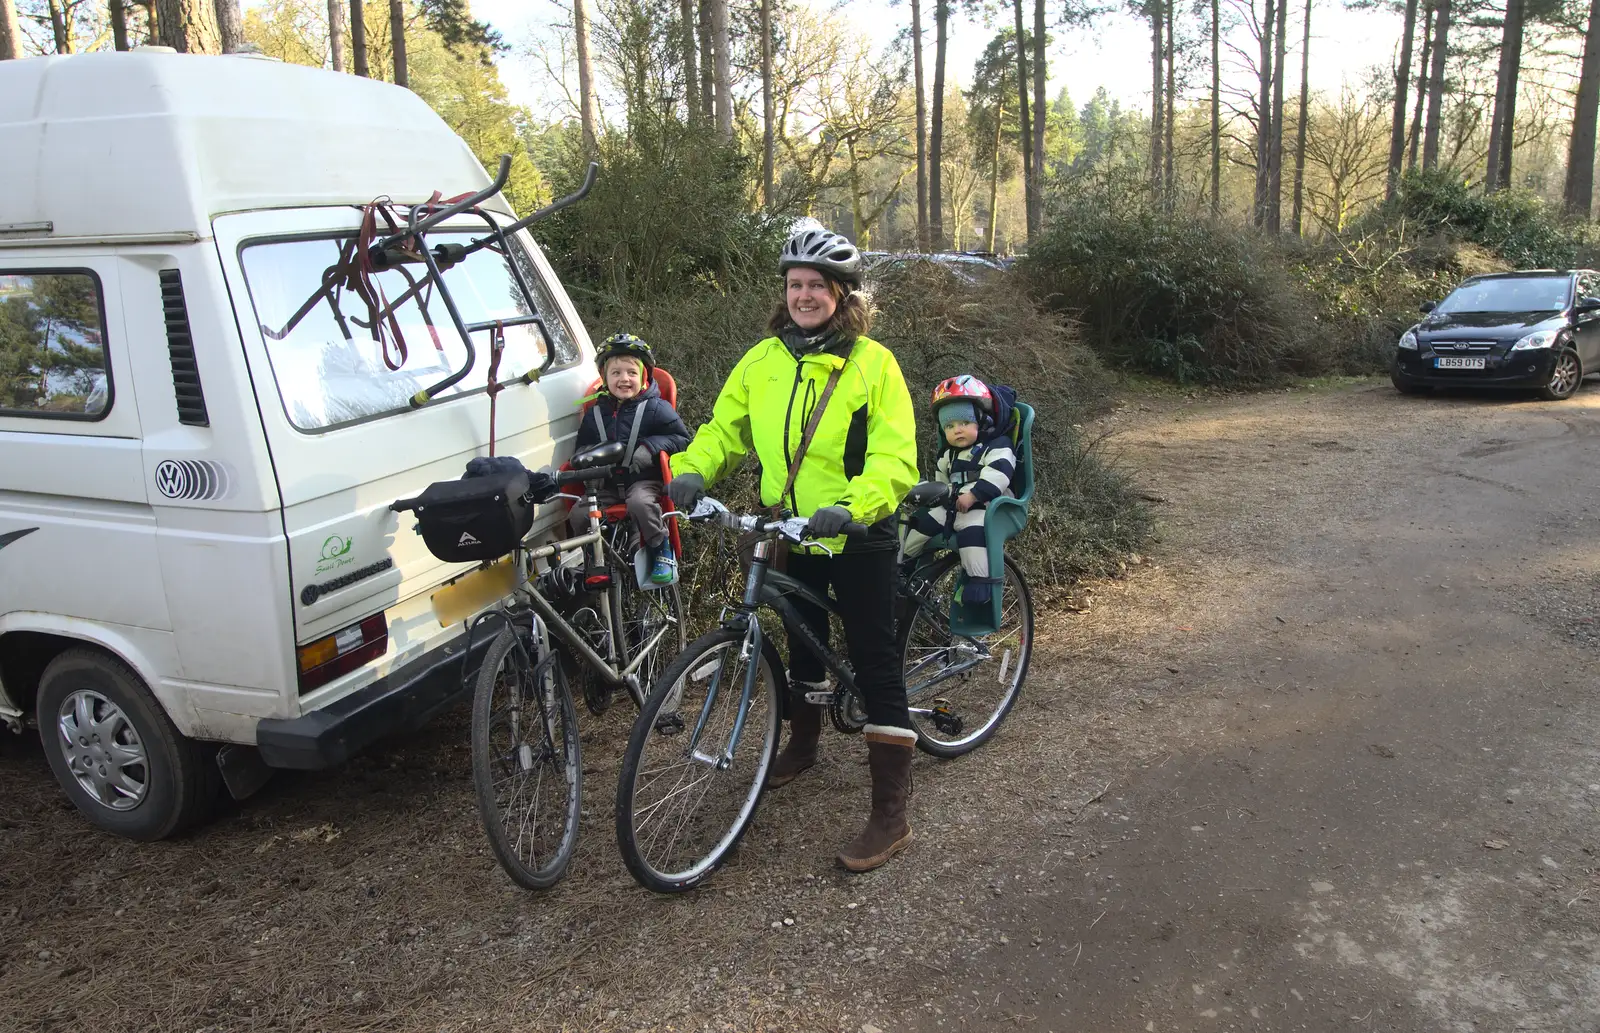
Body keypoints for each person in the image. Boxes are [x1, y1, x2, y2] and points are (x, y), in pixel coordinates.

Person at [667, 228, 920, 873]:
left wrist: (855, 507)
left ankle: (890, 814)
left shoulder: (874, 364)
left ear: (842, 294)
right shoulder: (762, 360)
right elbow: (724, 429)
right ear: (785, 292)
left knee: (873, 656)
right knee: (800, 637)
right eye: (795, 285)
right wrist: (694, 469)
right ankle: (803, 743)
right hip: (789, 527)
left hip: (858, 531)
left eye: (818, 286)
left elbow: (895, 456)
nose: (805, 295)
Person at [570, 334, 689, 585]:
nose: (624, 379)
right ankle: (594, 557)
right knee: (578, 513)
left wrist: (651, 447)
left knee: (639, 503)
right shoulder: (595, 414)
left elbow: (682, 439)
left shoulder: (657, 408)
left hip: (644, 481)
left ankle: (661, 549)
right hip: (608, 484)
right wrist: (592, 462)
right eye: (616, 373)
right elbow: (580, 449)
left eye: (631, 373)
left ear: (644, 376)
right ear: (605, 377)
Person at [900, 376, 1017, 607]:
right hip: (951, 505)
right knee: (917, 524)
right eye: (949, 426)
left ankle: (978, 582)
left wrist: (974, 495)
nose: (957, 431)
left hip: (983, 507)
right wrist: (933, 497)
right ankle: (904, 567)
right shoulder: (947, 455)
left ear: (981, 420)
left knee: (972, 533)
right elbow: (941, 480)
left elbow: (1000, 474)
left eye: (964, 423)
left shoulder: (997, 446)